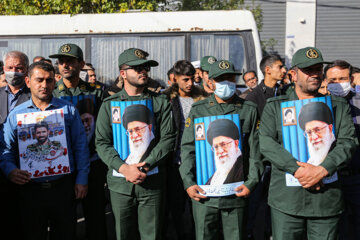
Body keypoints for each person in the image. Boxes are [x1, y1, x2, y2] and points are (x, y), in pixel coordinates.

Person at [259, 47, 357, 240]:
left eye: (318, 69)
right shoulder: (275, 106)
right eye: (308, 70)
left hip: (326, 201)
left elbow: (348, 142)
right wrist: (298, 170)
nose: (314, 75)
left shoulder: (338, 105)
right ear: (293, 75)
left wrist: (322, 170)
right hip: (287, 202)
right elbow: (266, 142)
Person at [0, 61, 90, 240]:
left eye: (49, 80)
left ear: (54, 82)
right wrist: (10, 170)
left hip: (63, 188)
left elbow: (80, 146)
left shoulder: (68, 110)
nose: (44, 85)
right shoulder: (16, 114)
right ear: (28, 81)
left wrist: (82, 179)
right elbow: (6, 149)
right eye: (39, 80)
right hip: (30, 190)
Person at [95, 47, 176, 240]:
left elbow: (168, 138)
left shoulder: (160, 102)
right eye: (137, 68)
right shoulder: (110, 104)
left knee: (152, 234)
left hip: (152, 182)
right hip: (120, 185)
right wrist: (123, 168)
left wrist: (146, 165)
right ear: (123, 73)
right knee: (124, 234)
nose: (143, 71)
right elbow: (102, 142)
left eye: (146, 68)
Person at [180, 59, 262, 240]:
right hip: (204, 194)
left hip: (237, 192)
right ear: (210, 83)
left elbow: (256, 151)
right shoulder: (199, 110)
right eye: (220, 79)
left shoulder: (248, 109)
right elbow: (188, 149)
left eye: (230, 78)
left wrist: (251, 182)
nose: (226, 83)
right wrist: (188, 182)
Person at [49, 43, 108, 240]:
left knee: (96, 218)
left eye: (70, 61)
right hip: (61, 167)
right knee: (63, 221)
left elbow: (104, 130)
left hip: (92, 164)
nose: (65, 65)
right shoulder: (51, 94)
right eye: (61, 61)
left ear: (81, 64)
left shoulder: (96, 93)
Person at [163, 60, 207, 240]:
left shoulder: (202, 99)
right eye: (185, 80)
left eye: (192, 79)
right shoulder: (166, 99)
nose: (190, 84)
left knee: (199, 206)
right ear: (175, 79)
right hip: (174, 162)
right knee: (176, 206)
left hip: (198, 162)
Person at [245, 54, 286, 240]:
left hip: (282, 159)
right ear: (267, 70)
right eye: (280, 66)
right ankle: (249, 233)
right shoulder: (253, 97)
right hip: (261, 159)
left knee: (276, 202)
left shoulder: (285, 93)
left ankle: (272, 234)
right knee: (254, 202)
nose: (284, 70)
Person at [324, 60, 360, 240]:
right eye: (333, 80)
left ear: (351, 79)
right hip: (331, 180)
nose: (338, 83)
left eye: (342, 78)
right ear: (325, 82)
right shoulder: (320, 106)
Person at [0, 50, 31, 240]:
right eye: (10, 68)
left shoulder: (34, 96)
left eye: (19, 68)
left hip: (26, 169)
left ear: (26, 70)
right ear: (3, 69)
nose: (14, 71)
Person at [205, 119, 244, 185]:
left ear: (236, 143)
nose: (220, 151)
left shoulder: (244, 168)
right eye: (216, 147)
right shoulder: (217, 174)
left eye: (224, 144)